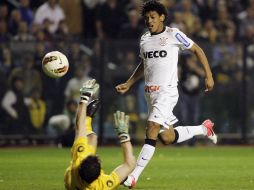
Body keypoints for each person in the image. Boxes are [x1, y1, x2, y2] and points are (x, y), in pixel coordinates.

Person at [115, 0, 216, 188]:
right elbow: (144, 64)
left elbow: (197, 50)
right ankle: (204, 129)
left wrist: (209, 76)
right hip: (150, 94)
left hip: (167, 92)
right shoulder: (144, 39)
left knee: (152, 127)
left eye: (153, 17)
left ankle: (134, 176)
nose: (149, 21)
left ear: (162, 17)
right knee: (166, 137)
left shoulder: (173, 34)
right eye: (146, 18)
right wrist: (129, 82)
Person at [64, 79, 136, 190]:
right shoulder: (103, 185)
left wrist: (84, 97)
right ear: (99, 175)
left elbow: (79, 125)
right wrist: (123, 134)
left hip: (70, 182)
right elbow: (130, 164)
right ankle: (124, 179)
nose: (97, 155)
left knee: (91, 138)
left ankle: (88, 116)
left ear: (80, 166)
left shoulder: (77, 167)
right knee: (92, 138)